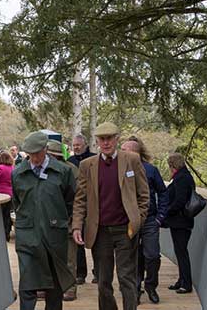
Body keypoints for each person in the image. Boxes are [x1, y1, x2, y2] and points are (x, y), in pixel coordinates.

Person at [71, 122, 149, 310]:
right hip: (100, 231)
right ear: (97, 141)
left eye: (109, 138)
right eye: (102, 139)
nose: (105, 143)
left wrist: (138, 220)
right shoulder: (87, 165)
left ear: (116, 139)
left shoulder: (131, 160)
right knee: (103, 281)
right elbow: (80, 199)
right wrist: (76, 225)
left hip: (125, 229)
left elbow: (144, 195)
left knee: (126, 278)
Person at [12, 132, 76, 310]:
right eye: (30, 154)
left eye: (38, 153)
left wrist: (59, 218)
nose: (34, 158)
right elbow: (17, 201)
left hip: (54, 234)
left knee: (54, 284)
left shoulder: (63, 171)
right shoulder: (18, 174)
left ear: (46, 149)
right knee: (27, 283)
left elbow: (70, 199)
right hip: (27, 235)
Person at [121, 137, 169, 304]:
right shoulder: (120, 169)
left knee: (152, 255)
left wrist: (160, 217)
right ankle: (135, 289)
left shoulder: (150, 170)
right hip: (129, 220)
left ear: (135, 153)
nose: (121, 153)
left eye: (124, 150)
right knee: (131, 256)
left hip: (150, 220)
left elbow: (163, 193)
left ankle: (151, 285)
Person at [45, 140, 80, 302]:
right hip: (48, 221)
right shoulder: (44, 169)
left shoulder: (71, 171)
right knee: (47, 256)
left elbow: (79, 198)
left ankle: (70, 287)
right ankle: (49, 286)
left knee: (69, 258)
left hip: (68, 220)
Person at [68, 133, 98, 284]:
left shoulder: (94, 159)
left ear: (85, 145)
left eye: (78, 145)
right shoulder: (70, 161)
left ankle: (98, 272)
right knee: (77, 240)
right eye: (74, 146)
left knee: (95, 240)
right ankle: (80, 274)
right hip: (77, 206)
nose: (76, 148)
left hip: (93, 206)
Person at [165, 152, 196, 294]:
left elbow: (180, 201)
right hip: (180, 221)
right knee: (179, 252)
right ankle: (181, 280)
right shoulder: (183, 176)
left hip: (181, 222)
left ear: (172, 164)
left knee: (182, 252)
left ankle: (186, 284)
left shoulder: (182, 178)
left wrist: (167, 211)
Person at [0, 151, 14, 241]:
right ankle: (7, 233)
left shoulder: (0, 168)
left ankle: (0, 235)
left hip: (0, 194)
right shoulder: (12, 168)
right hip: (10, 193)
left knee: (0, 215)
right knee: (7, 215)